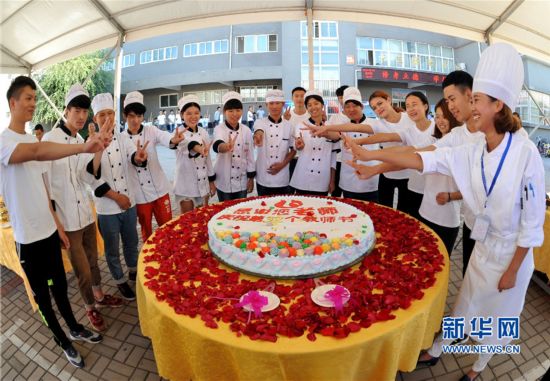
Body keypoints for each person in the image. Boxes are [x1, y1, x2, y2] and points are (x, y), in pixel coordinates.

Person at [348, 43, 545, 381]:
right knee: (465, 306)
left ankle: (477, 367)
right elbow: (422, 157)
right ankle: (443, 348)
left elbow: (531, 224)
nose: (468, 108)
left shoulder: (526, 154)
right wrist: (371, 160)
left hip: (513, 254)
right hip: (483, 248)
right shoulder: (473, 149)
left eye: (476, 101)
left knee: (498, 317)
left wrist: (513, 270)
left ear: (497, 105)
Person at [1, 76, 109, 368]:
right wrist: (83, 147)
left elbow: (43, 189)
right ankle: (62, 340)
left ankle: (74, 326)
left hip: (49, 231)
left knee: (60, 285)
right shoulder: (5, 141)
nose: (33, 104)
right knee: (44, 298)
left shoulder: (30, 138)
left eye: (35, 98)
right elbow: (36, 153)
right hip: (27, 236)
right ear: (12, 102)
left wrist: (58, 227)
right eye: (27, 98)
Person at [42, 84, 123, 333]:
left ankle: (99, 295)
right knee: (82, 270)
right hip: (67, 220)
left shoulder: (80, 140)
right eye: (76, 109)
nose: (80, 116)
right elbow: (44, 187)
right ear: (66, 110)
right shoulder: (50, 139)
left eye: (84, 111)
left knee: (93, 260)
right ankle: (90, 307)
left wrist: (99, 148)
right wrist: (56, 226)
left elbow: (90, 175)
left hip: (86, 214)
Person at [90, 93, 148, 301]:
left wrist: (139, 158)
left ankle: (133, 270)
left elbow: (134, 155)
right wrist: (117, 197)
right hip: (107, 209)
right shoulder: (90, 143)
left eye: (110, 114)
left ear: (115, 116)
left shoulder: (124, 139)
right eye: (101, 115)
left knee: (131, 242)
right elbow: (93, 180)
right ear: (95, 119)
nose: (106, 118)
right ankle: (119, 280)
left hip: (128, 204)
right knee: (112, 249)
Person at [122, 91, 185, 241]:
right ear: (125, 116)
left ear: (143, 116)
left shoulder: (151, 130)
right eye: (131, 116)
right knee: (147, 232)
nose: (136, 120)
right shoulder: (122, 138)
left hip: (160, 189)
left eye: (139, 116)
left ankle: (169, 254)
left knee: (168, 227)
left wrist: (174, 140)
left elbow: (165, 137)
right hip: (140, 195)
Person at [290, 90, 337, 196]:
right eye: (309, 105)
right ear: (307, 108)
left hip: (322, 178)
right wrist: (298, 145)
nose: (313, 107)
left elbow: (333, 157)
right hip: (303, 175)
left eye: (316, 103)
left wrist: (332, 180)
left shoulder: (331, 126)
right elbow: (297, 144)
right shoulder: (301, 125)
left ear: (322, 105)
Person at [173, 94, 216, 213]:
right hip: (185, 183)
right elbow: (186, 144)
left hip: (203, 183)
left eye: (196, 113)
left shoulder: (204, 132)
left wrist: (211, 181)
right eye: (189, 113)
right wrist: (199, 149)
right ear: (182, 115)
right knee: (187, 220)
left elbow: (208, 160)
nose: (193, 117)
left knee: (202, 218)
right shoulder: (178, 133)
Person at [212, 91, 255, 201]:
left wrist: (251, 178)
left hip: (242, 180)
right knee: (224, 211)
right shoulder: (219, 129)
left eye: (238, 110)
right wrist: (225, 147)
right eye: (230, 111)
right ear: (224, 112)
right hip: (224, 180)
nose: (235, 114)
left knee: (240, 210)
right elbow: (217, 144)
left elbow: (250, 156)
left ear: (242, 111)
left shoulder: (246, 130)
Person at [253, 89, 296, 196]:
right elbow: (259, 131)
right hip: (263, 177)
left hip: (283, 177)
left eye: (277, 103)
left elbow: (293, 149)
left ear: (283, 104)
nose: (274, 106)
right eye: (271, 103)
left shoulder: (289, 125)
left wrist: (282, 164)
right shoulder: (260, 122)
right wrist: (258, 136)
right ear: (266, 105)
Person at [328, 85, 350, 198]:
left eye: (344, 96)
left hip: (352, 161)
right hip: (337, 160)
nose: (342, 100)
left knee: (350, 194)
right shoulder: (334, 118)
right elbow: (328, 138)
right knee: (335, 193)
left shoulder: (357, 118)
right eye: (340, 97)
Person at [284, 87, 310, 180]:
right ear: (292, 98)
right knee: (290, 189)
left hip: (308, 157)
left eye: (302, 96)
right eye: (296, 96)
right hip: (291, 158)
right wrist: (285, 121)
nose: (299, 99)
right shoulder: (287, 115)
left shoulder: (311, 115)